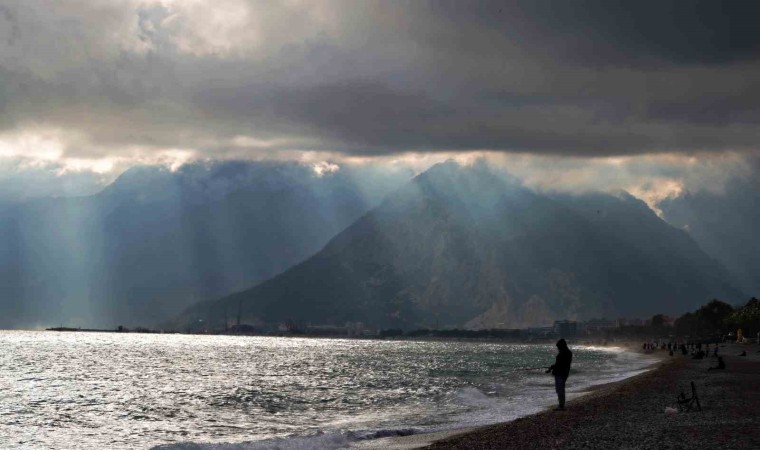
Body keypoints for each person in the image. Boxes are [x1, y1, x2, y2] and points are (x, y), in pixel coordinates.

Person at [546, 338, 573, 411]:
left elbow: (560, 364)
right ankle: (561, 405)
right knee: (560, 389)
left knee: (560, 389)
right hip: (564, 373)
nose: (558, 348)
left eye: (558, 347)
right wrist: (552, 367)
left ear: (561, 346)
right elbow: (561, 364)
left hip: (561, 373)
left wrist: (552, 367)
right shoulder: (568, 352)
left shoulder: (563, 353)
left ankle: (561, 406)